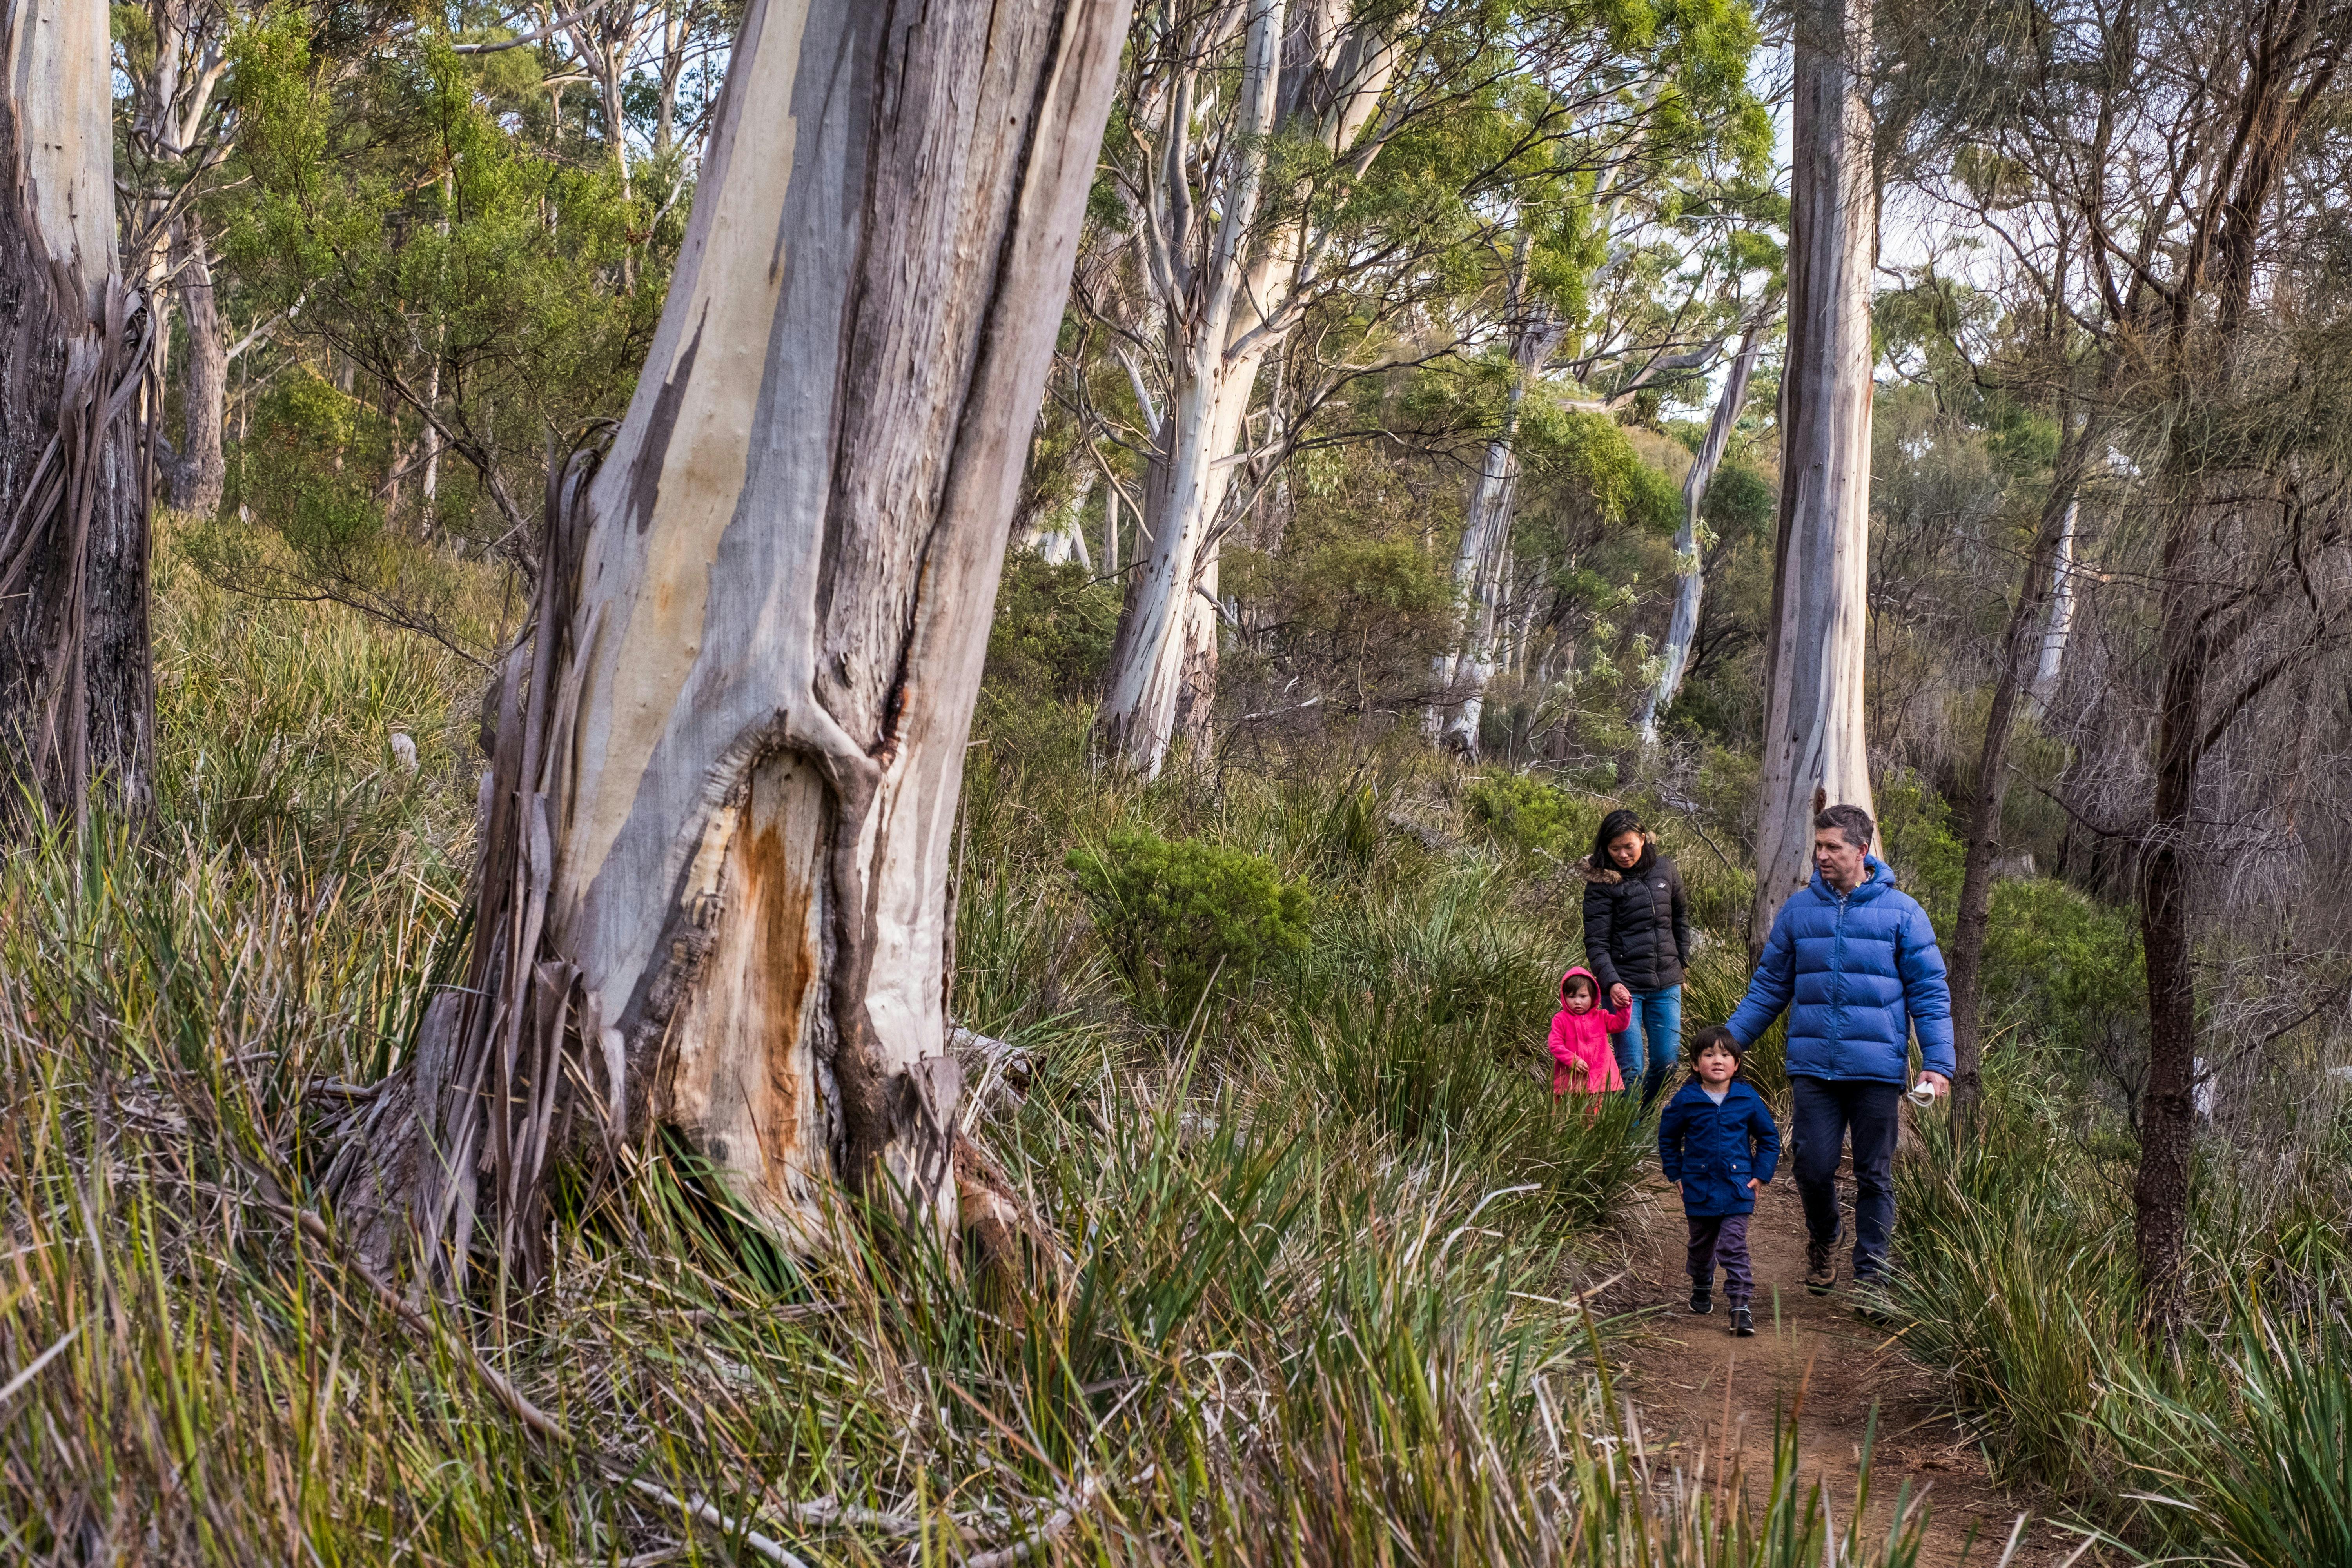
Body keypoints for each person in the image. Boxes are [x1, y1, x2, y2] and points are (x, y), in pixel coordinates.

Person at [1726, 803, 1953, 1296]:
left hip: (1875, 1068)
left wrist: (1937, 1063)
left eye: (1833, 847)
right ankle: (1826, 1235)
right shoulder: (1799, 910)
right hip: (1813, 1068)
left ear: (1862, 851)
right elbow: (1769, 987)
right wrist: (1728, 1043)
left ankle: (1873, 1275)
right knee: (1811, 1167)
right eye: (1819, 845)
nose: (1822, 855)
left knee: (1875, 1174)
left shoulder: (1903, 913)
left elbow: (1930, 993)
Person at [1657, 1025, 1779, 1337]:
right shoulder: (1687, 1100)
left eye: (1725, 1055)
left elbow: (1769, 1138)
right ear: (1696, 1064)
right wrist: (1677, 1174)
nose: (1717, 1060)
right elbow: (1668, 1138)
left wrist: (1760, 1176)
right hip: (1699, 1188)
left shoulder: (1747, 1098)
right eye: (1709, 1054)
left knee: (1733, 1245)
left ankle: (1740, 1306)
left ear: (1736, 1064)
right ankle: (1701, 1282)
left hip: (1739, 1187)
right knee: (1701, 1246)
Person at [1580, 808, 1693, 1109]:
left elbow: (1680, 918)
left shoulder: (1665, 869)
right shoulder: (1601, 885)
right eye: (1614, 848)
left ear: (1643, 839)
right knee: (1631, 1070)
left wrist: (1682, 965)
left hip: (1666, 983)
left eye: (1628, 846)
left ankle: (1642, 1117)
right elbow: (1596, 943)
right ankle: (1627, 1139)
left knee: (1667, 1064)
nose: (1623, 854)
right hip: (1624, 987)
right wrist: (1612, 984)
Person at [1546, 967, 1629, 1101]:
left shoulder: (1601, 1017)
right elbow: (1555, 1044)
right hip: (1570, 1081)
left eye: (1583, 996)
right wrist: (1572, 1060)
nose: (1577, 1002)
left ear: (1593, 997)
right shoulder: (1560, 1019)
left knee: (1593, 1119)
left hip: (1598, 1080)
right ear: (1564, 997)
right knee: (1566, 1117)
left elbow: (1621, 1025)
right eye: (1571, 997)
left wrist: (1624, 1008)